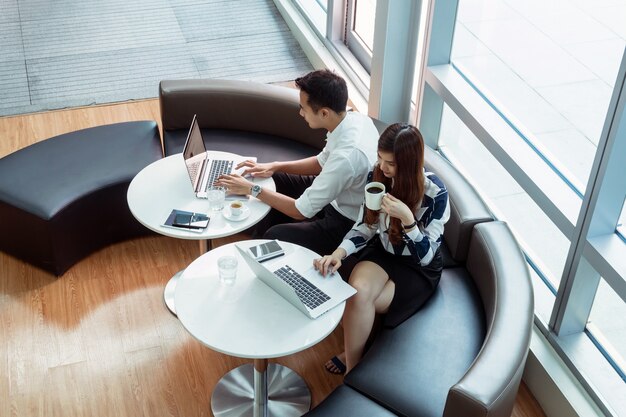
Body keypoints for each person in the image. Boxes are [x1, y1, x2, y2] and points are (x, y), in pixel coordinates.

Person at [313, 123, 450, 374]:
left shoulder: (435, 194)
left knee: (368, 301)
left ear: (409, 163)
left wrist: (409, 221)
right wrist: (339, 253)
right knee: (358, 293)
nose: (382, 168)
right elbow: (366, 226)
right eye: (380, 158)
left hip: (417, 265)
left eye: (391, 163)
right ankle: (353, 372)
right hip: (385, 251)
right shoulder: (377, 178)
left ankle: (356, 349)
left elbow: (427, 256)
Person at [216, 69, 379, 256]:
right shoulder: (356, 120)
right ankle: (253, 231)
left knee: (273, 235)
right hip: (333, 194)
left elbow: (301, 211)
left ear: (324, 113)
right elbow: (320, 162)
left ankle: (258, 250)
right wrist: (276, 165)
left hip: (343, 220)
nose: (301, 113)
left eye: (303, 108)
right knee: (275, 178)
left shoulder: (347, 157)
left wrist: (251, 189)